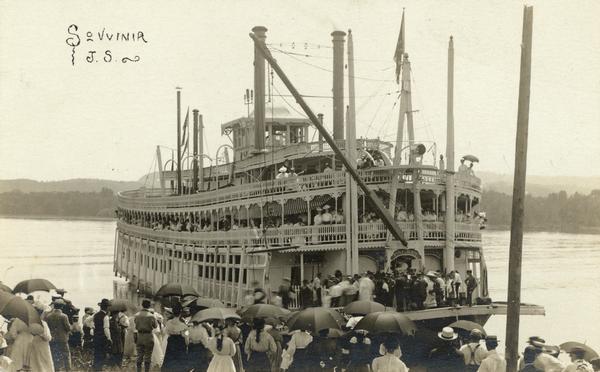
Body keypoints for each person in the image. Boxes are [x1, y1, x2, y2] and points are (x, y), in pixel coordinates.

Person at [46, 300, 72, 371]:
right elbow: (68, 328)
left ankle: (57, 369)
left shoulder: (49, 316)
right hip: (62, 338)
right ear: (62, 307)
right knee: (66, 355)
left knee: (55, 354)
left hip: (53, 338)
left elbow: (47, 327)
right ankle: (68, 369)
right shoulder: (64, 316)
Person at [161, 306, 189, 371]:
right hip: (180, 343)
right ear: (180, 314)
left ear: (173, 313)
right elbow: (186, 336)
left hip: (171, 341)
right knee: (179, 361)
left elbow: (166, 332)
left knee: (170, 359)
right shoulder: (183, 325)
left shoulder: (168, 323)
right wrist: (187, 344)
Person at [135, 300, 157, 372]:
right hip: (148, 335)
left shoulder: (137, 315)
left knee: (139, 355)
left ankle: (138, 370)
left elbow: (135, 325)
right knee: (148, 355)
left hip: (139, 335)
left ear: (142, 305)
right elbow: (155, 326)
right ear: (149, 305)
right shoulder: (151, 316)